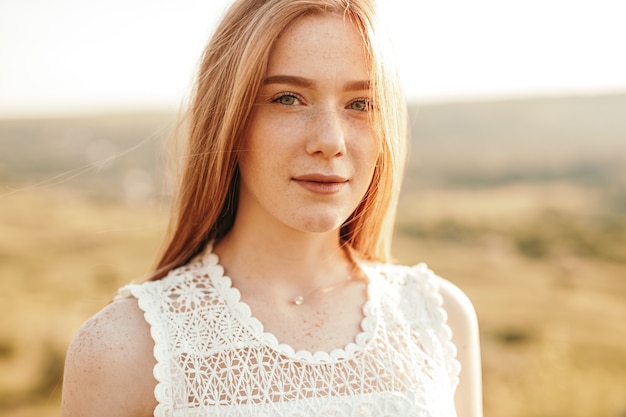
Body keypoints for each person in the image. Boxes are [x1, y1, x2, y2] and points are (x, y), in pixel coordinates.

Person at [61, 0, 482, 416]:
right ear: (228, 115)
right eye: (288, 98)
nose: (330, 141)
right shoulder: (124, 349)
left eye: (360, 104)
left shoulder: (438, 318)